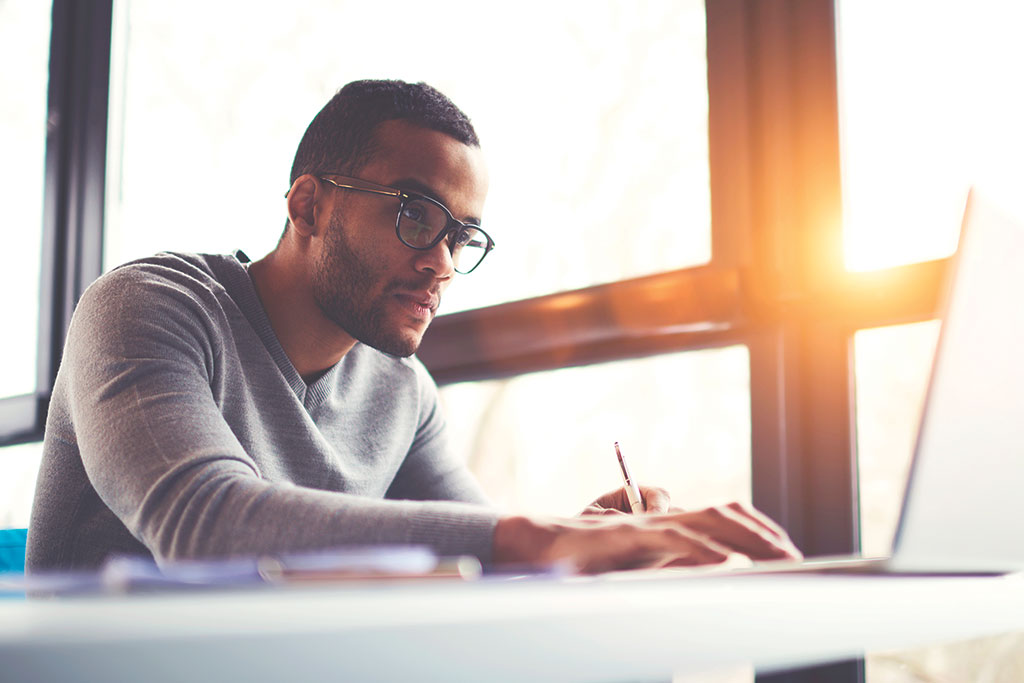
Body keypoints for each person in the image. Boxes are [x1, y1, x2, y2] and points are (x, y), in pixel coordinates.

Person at [26, 79, 800, 575]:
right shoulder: (147, 307)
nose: (440, 262)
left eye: (461, 237)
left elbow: (476, 548)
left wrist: (583, 542)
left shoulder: (403, 392)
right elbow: (204, 522)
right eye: (413, 215)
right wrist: (534, 537)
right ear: (307, 205)